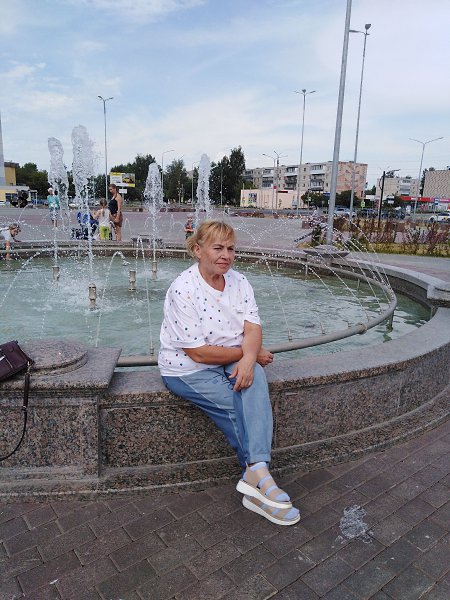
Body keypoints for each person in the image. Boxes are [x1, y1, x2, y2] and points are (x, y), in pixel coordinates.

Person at [158, 220, 300, 526]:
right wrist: (250, 355)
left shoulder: (240, 282)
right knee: (242, 407)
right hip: (187, 370)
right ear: (198, 250)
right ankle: (260, 478)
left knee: (255, 377)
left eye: (231, 249)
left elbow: (253, 328)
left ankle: (254, 477)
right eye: (218, 248)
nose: (226, 255)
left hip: (230, 357)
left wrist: (249, 360)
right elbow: (198, 352)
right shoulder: (183, 288)